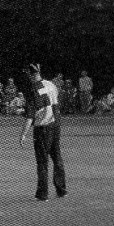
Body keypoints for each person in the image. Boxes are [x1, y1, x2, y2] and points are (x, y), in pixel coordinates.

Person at [20, 64, 67, 201]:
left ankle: (43, 194)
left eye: (27, 75)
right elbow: (53, 103)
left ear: (31, 74)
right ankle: (61, 190)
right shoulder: (51, 84)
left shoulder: (33, 88)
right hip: (55, 125)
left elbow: (30, 116)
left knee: (42, 162)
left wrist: (23, 134)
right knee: (57, 158)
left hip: (42, 128)